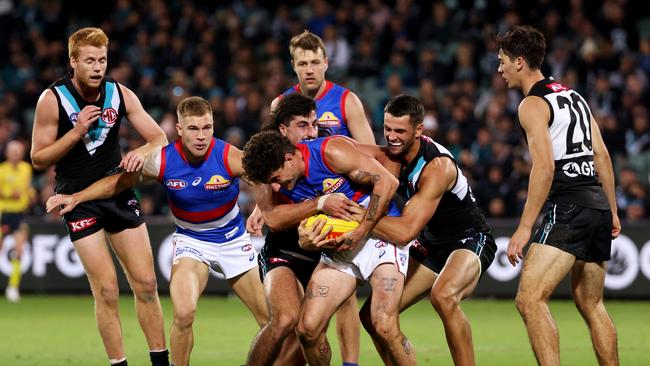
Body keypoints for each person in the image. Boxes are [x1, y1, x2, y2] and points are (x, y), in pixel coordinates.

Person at [45, 96, 275, 366]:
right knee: (184, 313)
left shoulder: (229, 156)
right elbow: (117, 184)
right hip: (192, 242)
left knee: (271, 322)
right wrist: (77, 198)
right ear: (179, 130)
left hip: (233, 241)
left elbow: (266, 182)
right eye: (193, 129)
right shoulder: (163, 161)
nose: (201, 136)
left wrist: (261, 209)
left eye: (207, 127)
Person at [299, 95, 498, 366]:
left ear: (418, 131)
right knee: (373, 318)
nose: (392, 137)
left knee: (444, 295)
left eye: (400, 131)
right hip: (430, 242)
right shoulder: (389, 154)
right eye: (387, 129)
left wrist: (359, 218)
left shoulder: (436, 167)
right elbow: (344, 150)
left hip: (469, 238)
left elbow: (405, 232)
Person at [30, 27, 169, 366]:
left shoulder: (119, 93)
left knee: (148, 284)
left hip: (118, 190)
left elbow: (160, 138)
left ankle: (160, 363)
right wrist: (76, 132)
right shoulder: (53, 99)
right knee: (106, 290)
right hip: (76, 198)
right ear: (73, 62)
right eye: (89, 60)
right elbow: (38, 158)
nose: (97, 67)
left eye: (102, 60)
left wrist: (140, 150)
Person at [497, 25, 620, 365]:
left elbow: (545, 167)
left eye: (503, 61)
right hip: (596, 204)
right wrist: (612, 210)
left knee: (530, 299)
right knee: (591, 303)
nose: (499, 69)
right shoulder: (573, 96)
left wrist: (524, 228)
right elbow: (602, 156)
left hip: (568, 206)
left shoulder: (532, 104)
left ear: (520, 62)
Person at [242, 130, 416, 366]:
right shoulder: (285, 185)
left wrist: (362, 230)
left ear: (289, 158)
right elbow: (280, 221)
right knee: (307, 329)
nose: (274, 187)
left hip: (380, 235)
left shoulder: (329, 152)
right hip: (341, 246)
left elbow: (386, 182)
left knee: (383, 324)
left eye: (275, 178)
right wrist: (306, 242)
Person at [267, 30, 373, 366]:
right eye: (303, 63)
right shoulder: (280, 106)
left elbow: (370, 153)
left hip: (341, 205)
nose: (310, 69)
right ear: (294, 66)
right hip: (303, 207)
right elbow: (272, 157)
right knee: (307, 308)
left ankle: (350, 363)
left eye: (315, 62)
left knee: (344, 294)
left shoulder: (346, 101)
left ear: (326, 63)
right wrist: (264, 206)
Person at [245, 93, 361, 366]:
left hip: (324, 254)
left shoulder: (329, 149)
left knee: (311, 331)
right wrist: (320, 203)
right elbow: (273, 219)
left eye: (314, 124)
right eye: (302, 125)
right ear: (283, 130)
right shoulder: (263, 157)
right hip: (284, 249)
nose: (311, 132)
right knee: (285, 319)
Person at [0, 140, 34, 302]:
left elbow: (27, 188)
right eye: (12, 151)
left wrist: (30, 195)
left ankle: (13, 287)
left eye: (18, 151)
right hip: (3, 213)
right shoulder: (1, 170)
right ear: (7, 153)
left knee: (19, 251)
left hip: (19, 214)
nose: (15, 154)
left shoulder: (26, 169)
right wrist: (8, 194)